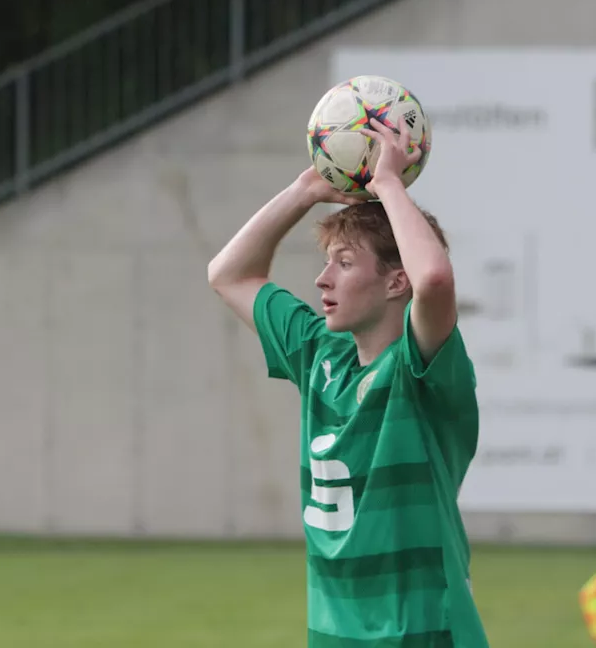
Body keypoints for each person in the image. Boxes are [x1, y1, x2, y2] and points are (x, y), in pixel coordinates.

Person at [207, 118, 487, 647]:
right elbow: (229, 274)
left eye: (344, 262)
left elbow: (434, 279)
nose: (322, 279)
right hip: (334, 637)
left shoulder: (420, 367)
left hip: (423, 635)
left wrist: (388, 184)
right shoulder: (318, 354)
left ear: (394, 281)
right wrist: (306, 190)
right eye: (326, 262)